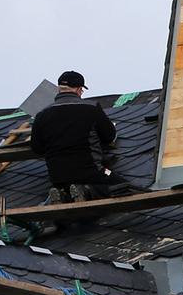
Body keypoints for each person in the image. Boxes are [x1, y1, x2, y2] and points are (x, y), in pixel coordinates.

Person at [29, 70, 127, 207]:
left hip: (57, 176)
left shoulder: (42, 115)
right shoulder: (91, 108)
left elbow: (37, 148)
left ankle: (62, 194)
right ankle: (86, 191)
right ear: (79, 89)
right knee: (121, 186)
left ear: (59, 89)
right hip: (90, 171)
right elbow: (109, 136)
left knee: (67, 187)